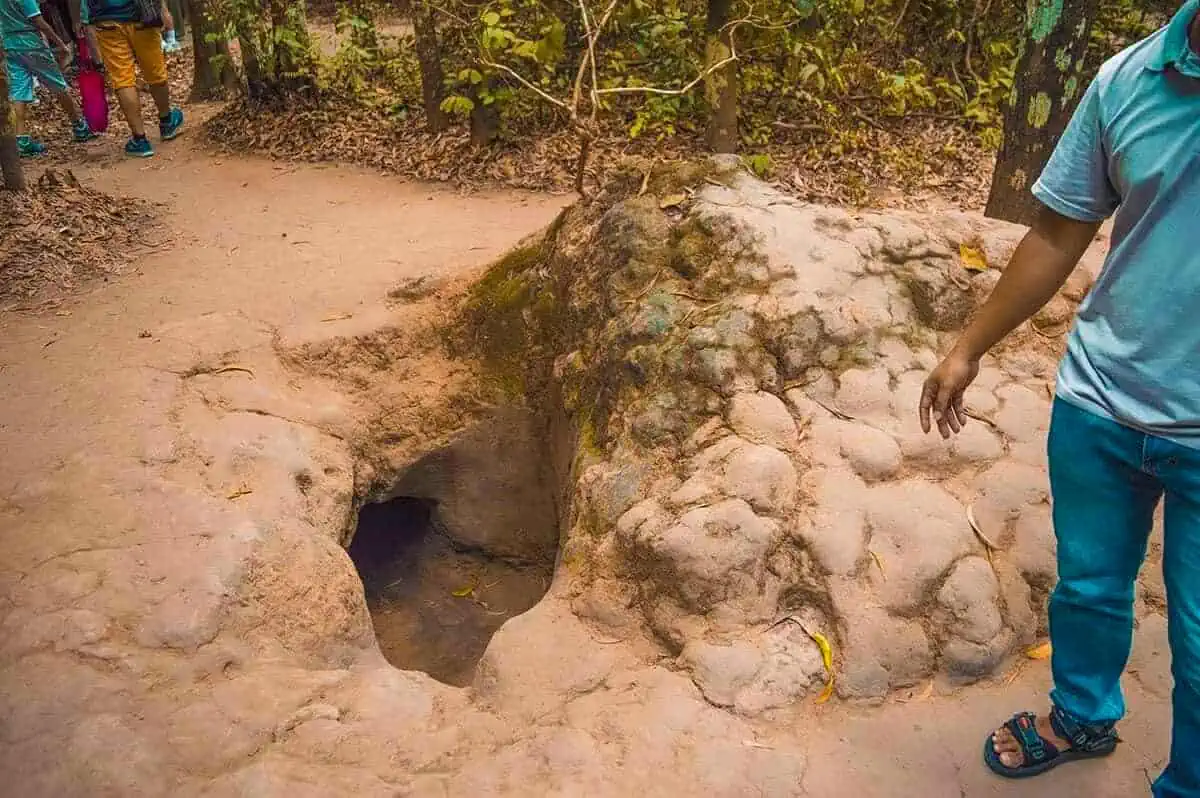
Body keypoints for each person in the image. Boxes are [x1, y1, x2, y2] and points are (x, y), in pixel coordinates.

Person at [920, 2, 1200, 795]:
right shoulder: (1126, 80)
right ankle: (1081, 714)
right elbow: (1056, 233)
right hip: (1101, 402)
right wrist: (967, 348)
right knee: (1087, 588)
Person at [80, 0, 182, 157]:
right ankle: (167, 121)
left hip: (107, 20)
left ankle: (140, 139)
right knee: (155, 72)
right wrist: (163, 9)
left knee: (123, 79)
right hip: (142, 15)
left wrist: (84, 21)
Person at [1, 0, 96, 156]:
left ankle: (21, 139)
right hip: (32, 44)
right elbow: (39, 21)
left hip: (10, 45)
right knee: (57, 84)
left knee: (18, 92)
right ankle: (79, 127)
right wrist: (61, 44)